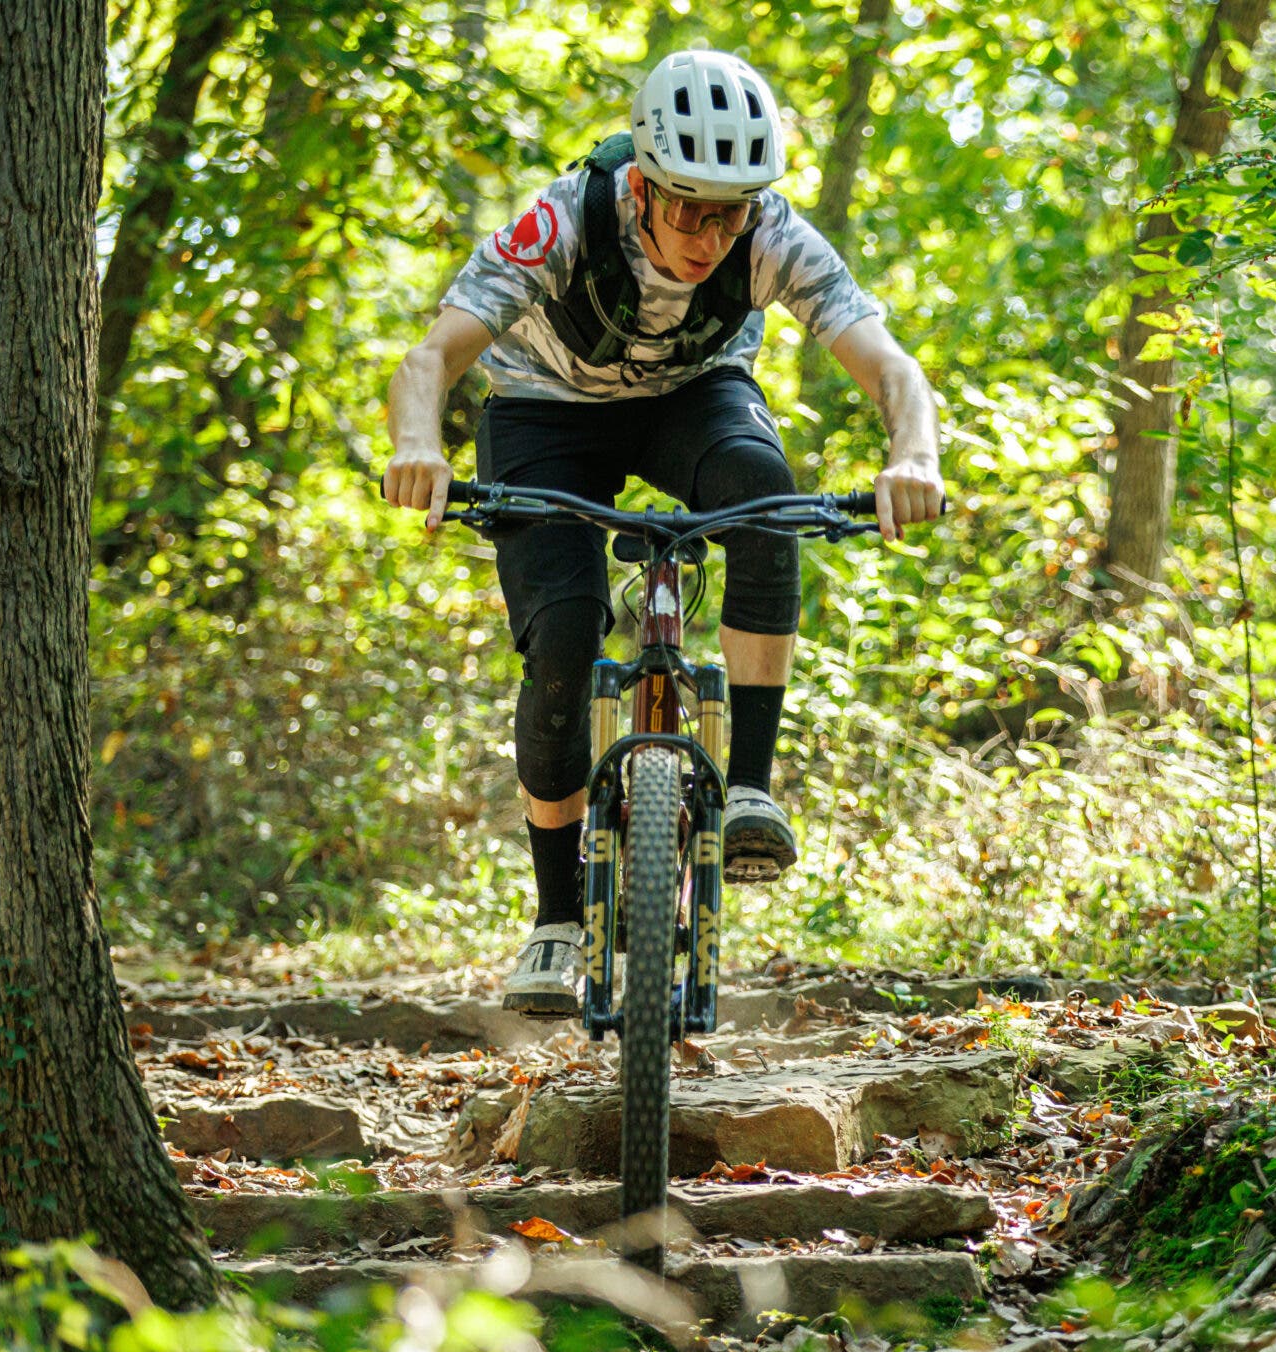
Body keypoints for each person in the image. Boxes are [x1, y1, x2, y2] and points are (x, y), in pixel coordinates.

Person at [380, 49, 944, 1015]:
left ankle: (753, 790)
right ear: (641, 187)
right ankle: (557, 923)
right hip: (545, 411)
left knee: (764, 493)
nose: (709, 235)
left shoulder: (770, 237)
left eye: (729, 211)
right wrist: (419, 446)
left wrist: (914, 457)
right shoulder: (559, 221)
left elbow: (889, 365)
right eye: (687, 207)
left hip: (692, 399)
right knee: (563, 631)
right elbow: (431, 358)